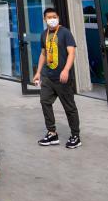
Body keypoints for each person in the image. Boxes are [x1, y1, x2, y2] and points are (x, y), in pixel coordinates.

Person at [32, 8, 81, 149]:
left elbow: (71, 53)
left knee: (69, 107)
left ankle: (75, 136)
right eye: (49, 17)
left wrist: (66, 70)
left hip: (62, 77)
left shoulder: (65, 33)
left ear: (58, 17)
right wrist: (38, 72)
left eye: (54, 16)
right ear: (44, 19)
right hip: (48, 77)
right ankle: (52, 133)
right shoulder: (44, 34)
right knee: (44, 101)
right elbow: (43, 54)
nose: (52, 19)